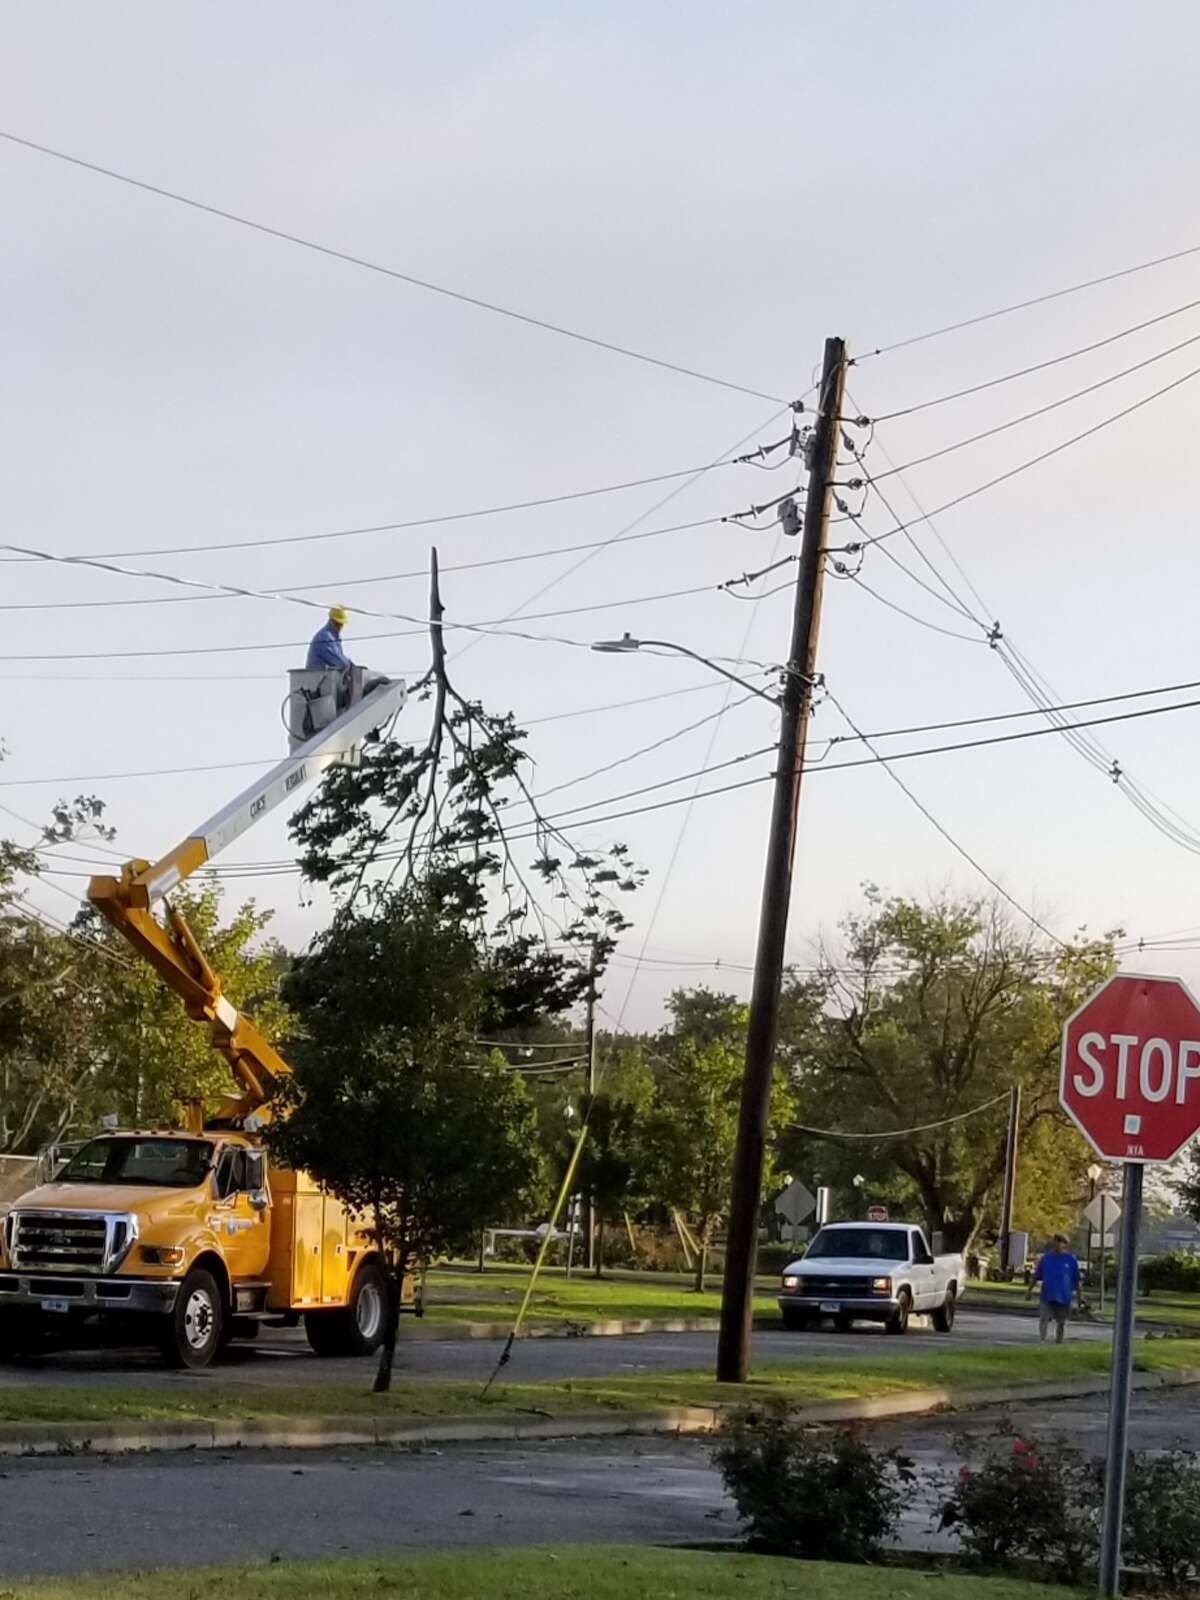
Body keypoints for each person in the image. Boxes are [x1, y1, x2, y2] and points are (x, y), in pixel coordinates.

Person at [1028, 1233, 1081, 1343]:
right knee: (1044, 1318)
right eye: (1056, 1241)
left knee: (1061, 1321)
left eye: (1060, 1242)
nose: (1057, 1244)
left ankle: (1059, 1341)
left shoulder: (1071, 1260)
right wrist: (1029, 1291)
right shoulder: (1046, 1258)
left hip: (1064, 1296)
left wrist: (1080, 1296)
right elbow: (1037, 1276)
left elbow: (1076, 1280)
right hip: (1047, 1295)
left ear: (1065, 1245)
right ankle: (1042, 1339)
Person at [307, 605, 353, 671]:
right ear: (331, 620)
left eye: (341, 624)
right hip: (318, 677)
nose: (339, 627)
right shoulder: (324, 637)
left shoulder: (334, 638)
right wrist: (352, 666)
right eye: (337, 623)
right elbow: (339, 662)